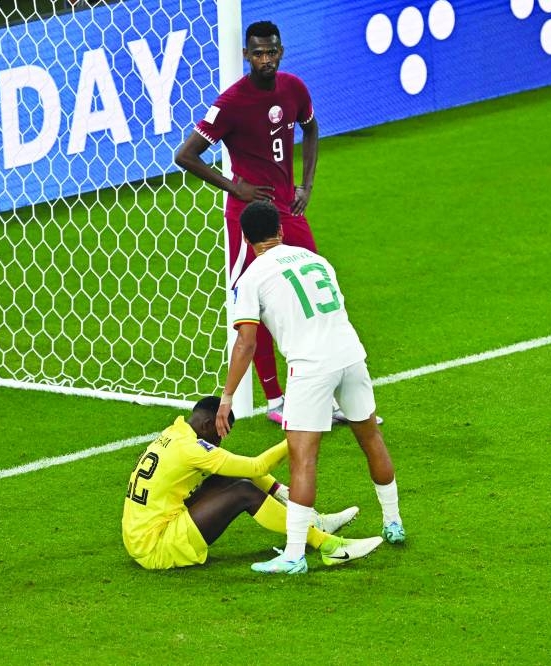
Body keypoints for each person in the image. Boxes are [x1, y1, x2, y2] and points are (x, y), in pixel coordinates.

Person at [215, 200, 406, 575]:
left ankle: (294, 555)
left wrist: (227, 396)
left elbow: (247, 343)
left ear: (246, 238)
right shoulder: (315, 260)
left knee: (304, 457)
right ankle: (393, 522)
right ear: (281, 231)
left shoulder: (250, 278)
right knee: (370, 438)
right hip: (351, 355)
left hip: (310, 367)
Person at [175, 20, 320, 425]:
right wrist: (233, 187)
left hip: (287, 212)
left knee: (313, 291)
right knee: (253, 308)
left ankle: (318, 388)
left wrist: (305, 185)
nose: (265, 59)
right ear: (246, 55)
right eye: (257, 53)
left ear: (281, 50)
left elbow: (310, 129)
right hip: (248, 220)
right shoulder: (231, 103)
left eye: (272, 51)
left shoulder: (294, 89)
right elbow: (185, 155)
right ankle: (276, 399)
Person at [122, 396, 382, 570]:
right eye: (220, 433)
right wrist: (299, 436)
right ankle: (327, 544)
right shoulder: (193, 450)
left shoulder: (176, 432)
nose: (220, 441)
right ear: (206, 424)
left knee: (231, 474)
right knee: (244, 491)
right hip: (157, 547)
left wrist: (280, 491)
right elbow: (258, 467)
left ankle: (311, 519)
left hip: (143, 534)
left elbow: (242, 467)